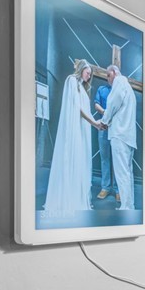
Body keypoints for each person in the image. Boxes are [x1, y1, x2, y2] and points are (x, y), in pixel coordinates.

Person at [43, 59, 102, 214]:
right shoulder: (72, 81)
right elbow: (77, 108)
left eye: (90, 75)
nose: (89, 77)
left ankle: (74, 198)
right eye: (87, 73)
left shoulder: (81, 87)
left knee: (80, 161)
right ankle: (67, 200)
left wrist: (93, 122)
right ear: (81, 69)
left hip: (81, 131)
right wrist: (94, 123)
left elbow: (84, 110)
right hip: (74, 130)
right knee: (71, 159)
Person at [100, 64, 137, 211]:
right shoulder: (128, 87)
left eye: (108, 75)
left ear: (115, 72)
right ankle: (129, 205)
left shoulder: (119, 83)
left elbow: (112, 104)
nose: (108, 79)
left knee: (122, 174)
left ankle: (126, 208)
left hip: (120, 135)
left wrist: (103, 122)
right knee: (128, 174)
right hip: (128, 136)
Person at [93, 80, 115, 199]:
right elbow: (96, 104)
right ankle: (105, 187)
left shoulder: (119, 90)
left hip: (117, 129)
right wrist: (105, 113)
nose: (109, 77)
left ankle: (118, 190)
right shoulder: (102, 89)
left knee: (117, 160)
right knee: (104, 159)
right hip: (103, 127)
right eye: (108, 75)